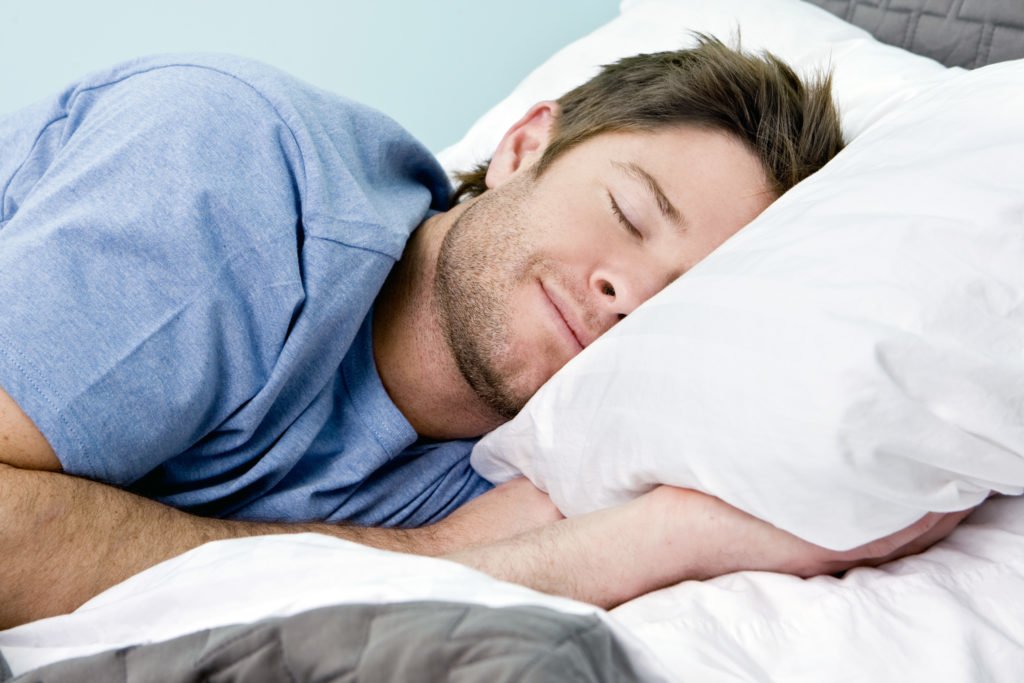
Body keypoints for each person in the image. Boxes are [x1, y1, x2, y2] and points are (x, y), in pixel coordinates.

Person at [0, 36, 967, 630]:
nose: (620, 289)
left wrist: (678, 531)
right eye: (630, 213)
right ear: (524, 145)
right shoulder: (231, 170)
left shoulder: (540, 470)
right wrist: (449, 562)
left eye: (674, 302)